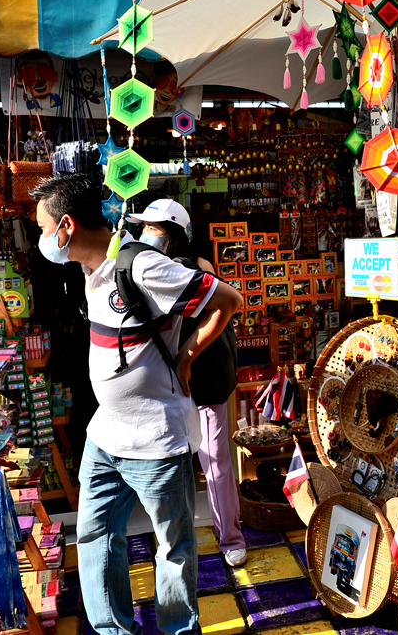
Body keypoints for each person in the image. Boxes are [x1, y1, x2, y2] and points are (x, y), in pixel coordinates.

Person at [30, 175, 242, 635]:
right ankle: (113, 630)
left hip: (156, 441)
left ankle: (177, 631)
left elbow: (228, 300)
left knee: (173, 549)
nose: (41, 239)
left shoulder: (143, 266)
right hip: (105, 436)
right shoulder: (91, 268)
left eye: (44, 228)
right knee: (95, 538)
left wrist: (186, 357)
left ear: (66, 226)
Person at [127, 199, 248, 568]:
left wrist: (185, 360)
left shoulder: (184, 270)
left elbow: (225, 308)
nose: (145, 235)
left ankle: (229, 539)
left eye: (152, 229)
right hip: (184, 380)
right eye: (143, 227)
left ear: (172, 236)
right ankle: (212, 540)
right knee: (198, 460)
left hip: (204, 378)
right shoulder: (165, 267)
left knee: (212, 460)